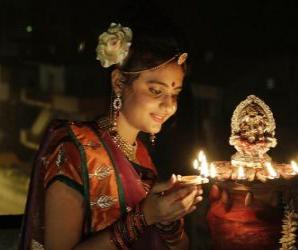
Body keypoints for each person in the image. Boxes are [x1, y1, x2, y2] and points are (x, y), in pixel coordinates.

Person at [19, 22, 203, 250]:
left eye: (175, 94)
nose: (169, 106)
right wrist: (143, 217)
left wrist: (168, 220)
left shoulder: (141, 154)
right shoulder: (75, 149)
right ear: (118, 83)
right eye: (156, 91)